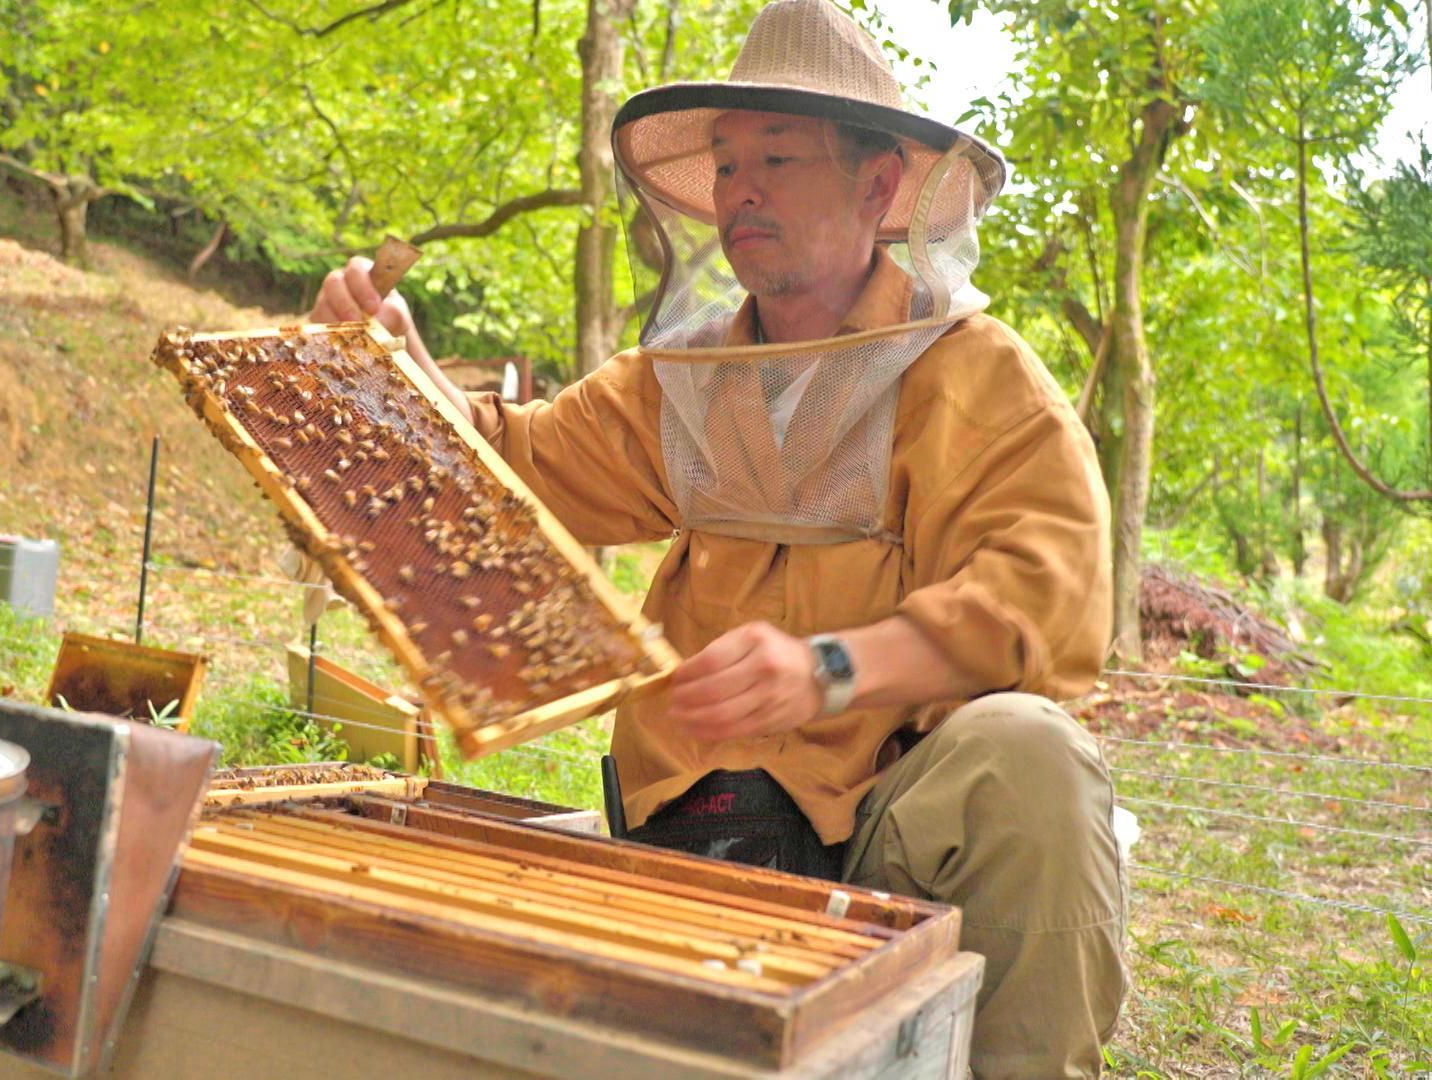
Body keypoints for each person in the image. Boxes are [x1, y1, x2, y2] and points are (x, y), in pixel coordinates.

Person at [310, 2, 1123, 1075]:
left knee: (1033, 754)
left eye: (777, 159)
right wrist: (397, 375)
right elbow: (521, 470)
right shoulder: (686, 381)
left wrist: (833, 668)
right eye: (729, 164)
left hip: (885, 831)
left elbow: (1046, 599)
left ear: (879, 187)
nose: (742, 190)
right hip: (687, 819)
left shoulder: (973, 372)